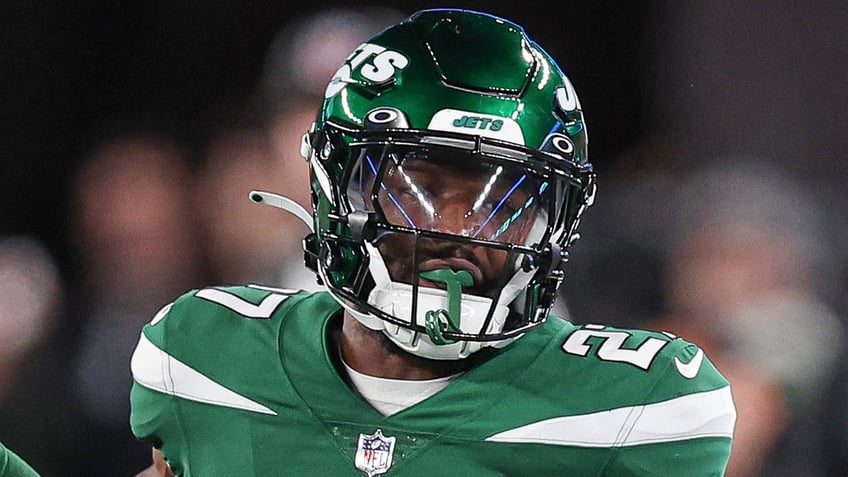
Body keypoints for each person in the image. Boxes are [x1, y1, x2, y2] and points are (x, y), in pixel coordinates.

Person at [130, 9, 736, 476]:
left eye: (502, 199)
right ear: (336, 187)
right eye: (417, 185)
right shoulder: (204, 358)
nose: (457, 228)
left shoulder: (639, 410)